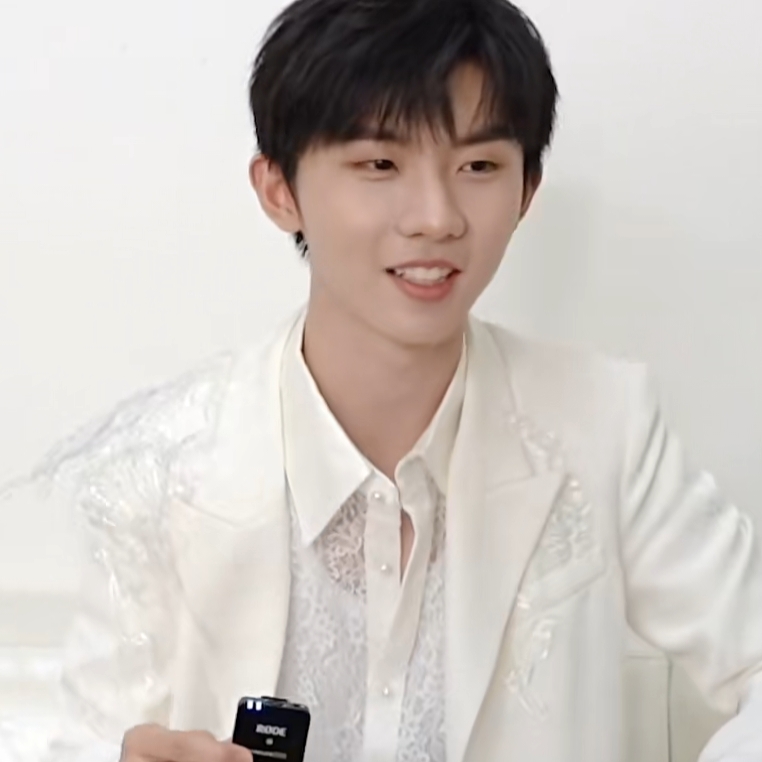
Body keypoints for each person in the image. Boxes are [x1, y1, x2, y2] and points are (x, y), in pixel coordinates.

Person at [31, 0, 762, 760]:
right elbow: (87, 741)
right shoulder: (159, 468)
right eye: (380, 164)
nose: (436, 218)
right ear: (279, 189)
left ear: (527, 190)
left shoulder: (603, 423)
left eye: (478, 167)